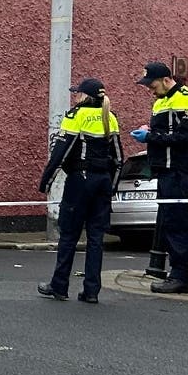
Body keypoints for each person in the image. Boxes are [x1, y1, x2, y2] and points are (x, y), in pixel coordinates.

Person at [36, 78, 122, 303]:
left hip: (80, 182)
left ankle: (59, 286)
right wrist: (110, 188)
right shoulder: (110, 118)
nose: (75, 97)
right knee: (96, 238)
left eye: (78, 93)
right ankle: (91, 291)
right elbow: (118, 159)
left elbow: (60, 154)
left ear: (85, 96)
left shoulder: (76, 116)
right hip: (102, 182)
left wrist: (46, 182)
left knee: (69, 235)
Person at [132, 61, 188, 295]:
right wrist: (151, 132)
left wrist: (151, 136)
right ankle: (175, 273)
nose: (150, 90)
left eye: (152, 85)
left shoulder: (185, 98)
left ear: (166, 79)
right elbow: (168, 133)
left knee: (176, 224)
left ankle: (180, 276)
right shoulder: (163, 101)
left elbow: (185, 138)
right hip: (165, 169)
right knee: (168, 222)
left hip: (177, 169)